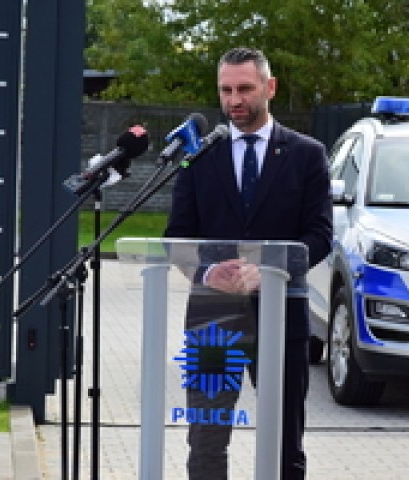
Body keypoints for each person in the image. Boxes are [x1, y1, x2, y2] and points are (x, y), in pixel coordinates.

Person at [164, 47, 333, 480]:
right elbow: (176, 238)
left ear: (269, 88)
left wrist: (272, 269)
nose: (234, 100)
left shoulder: (306, 155)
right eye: (225, 90)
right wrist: (206, 273)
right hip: (211, 320)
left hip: (282, 318)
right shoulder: (200, 157)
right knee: (205, 442)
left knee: (283, 442)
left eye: (244, 88)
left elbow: (319, 235)